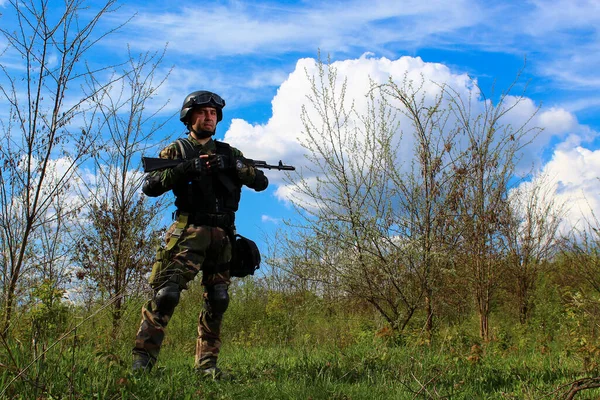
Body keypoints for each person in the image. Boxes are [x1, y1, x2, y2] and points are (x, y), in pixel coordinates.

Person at [132, 90, 268, 378]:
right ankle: (142, 364)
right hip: (187, 232)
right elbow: (151, 186)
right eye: (203, 112)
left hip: (223, 235)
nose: (209, 117)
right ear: (189, 117)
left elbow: (261, 181)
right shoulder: (177, 150)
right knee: (165, 294)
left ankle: (207, 366)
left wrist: (235, 167)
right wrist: (186, 169)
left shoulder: (230, 153)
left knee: (218, 299)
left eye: (213, 113)